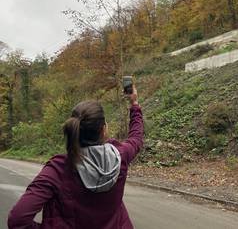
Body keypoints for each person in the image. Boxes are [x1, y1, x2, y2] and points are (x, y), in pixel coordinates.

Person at [8, 85, 144, 229]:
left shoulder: (58, 169)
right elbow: (136, 138)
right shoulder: (119, 156)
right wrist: (134, 104)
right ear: (103, 130)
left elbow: (17, 220)